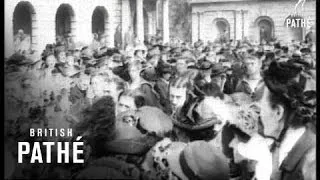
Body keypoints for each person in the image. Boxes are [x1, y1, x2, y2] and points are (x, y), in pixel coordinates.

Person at [232, 61, 316, 180]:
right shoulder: (280, 143)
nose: (258, 114)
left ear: (278, 112)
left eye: (261, 107)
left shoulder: (311, 167)